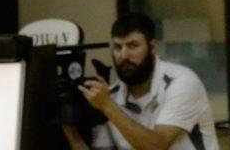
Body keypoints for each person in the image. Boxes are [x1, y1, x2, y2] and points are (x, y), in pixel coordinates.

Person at [62, 13, 218, 150]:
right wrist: (67, 124)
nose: (123, 55)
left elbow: (156, 146)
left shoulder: (182, 83)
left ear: (153, 47)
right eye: (117, 47)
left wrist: (107, 106)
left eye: (133, 46)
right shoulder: (110, 96)